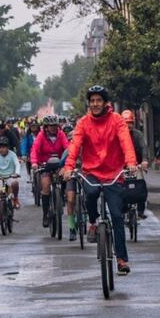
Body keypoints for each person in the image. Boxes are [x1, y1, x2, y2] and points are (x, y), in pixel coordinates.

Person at [62, 86, 137, 273]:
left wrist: (131, 163)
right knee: (91, 193)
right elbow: (75, 145)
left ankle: (121, 259)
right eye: (92, 101)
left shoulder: (117, 120)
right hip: (92, 172)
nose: (95, 104)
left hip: (114, 173)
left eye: (98, 100)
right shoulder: (83, 123)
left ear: (105, 103)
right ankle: (93, 223)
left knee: (117, 216)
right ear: (89, 104)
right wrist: (69, 167)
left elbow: (126, 142)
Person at [30, 114, 70, 230]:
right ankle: (46, 214)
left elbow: (67, 148)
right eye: (50, 126)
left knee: (65, 178)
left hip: (59, 164)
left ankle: (61, 198)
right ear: (46, 127)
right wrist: (34, 163)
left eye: (55, 126)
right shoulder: (41, 136)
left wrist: (67, 163)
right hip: (45, 165)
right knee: (46, 186)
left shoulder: (61, 134)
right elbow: (34, 150)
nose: (53, 128)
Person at [121, 110, 149, 219]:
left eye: (130, 123)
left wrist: (144, 161)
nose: (129, 126)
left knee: (141, 185)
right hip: (121, 167)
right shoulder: (118, 136)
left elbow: (143, 148)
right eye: (126, 123)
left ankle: (141, 211)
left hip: (136, 165)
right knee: (120, 187)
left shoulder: (138, 135)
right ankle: (122, 208)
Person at [0, 136, 21, 209]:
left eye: (4, 147)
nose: (2, 149)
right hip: (0, 177)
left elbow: (17, 164)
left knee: (15, 183)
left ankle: (15, 198)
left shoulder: (12, 154)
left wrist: (17, 173)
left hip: (10, 176)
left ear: (8, 147)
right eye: (0, 147)